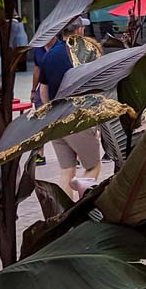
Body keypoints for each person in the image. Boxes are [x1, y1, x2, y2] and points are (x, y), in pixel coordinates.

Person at [39, 19, 103, 196]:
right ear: (80, 30)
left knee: (67, 170)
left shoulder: (49, 55)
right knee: (93, 166)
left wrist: (49, 112)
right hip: (77, 119)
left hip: (55, 119)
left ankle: (63, 213)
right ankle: (80, 208)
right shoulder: (84, 53)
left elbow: (43, 90)